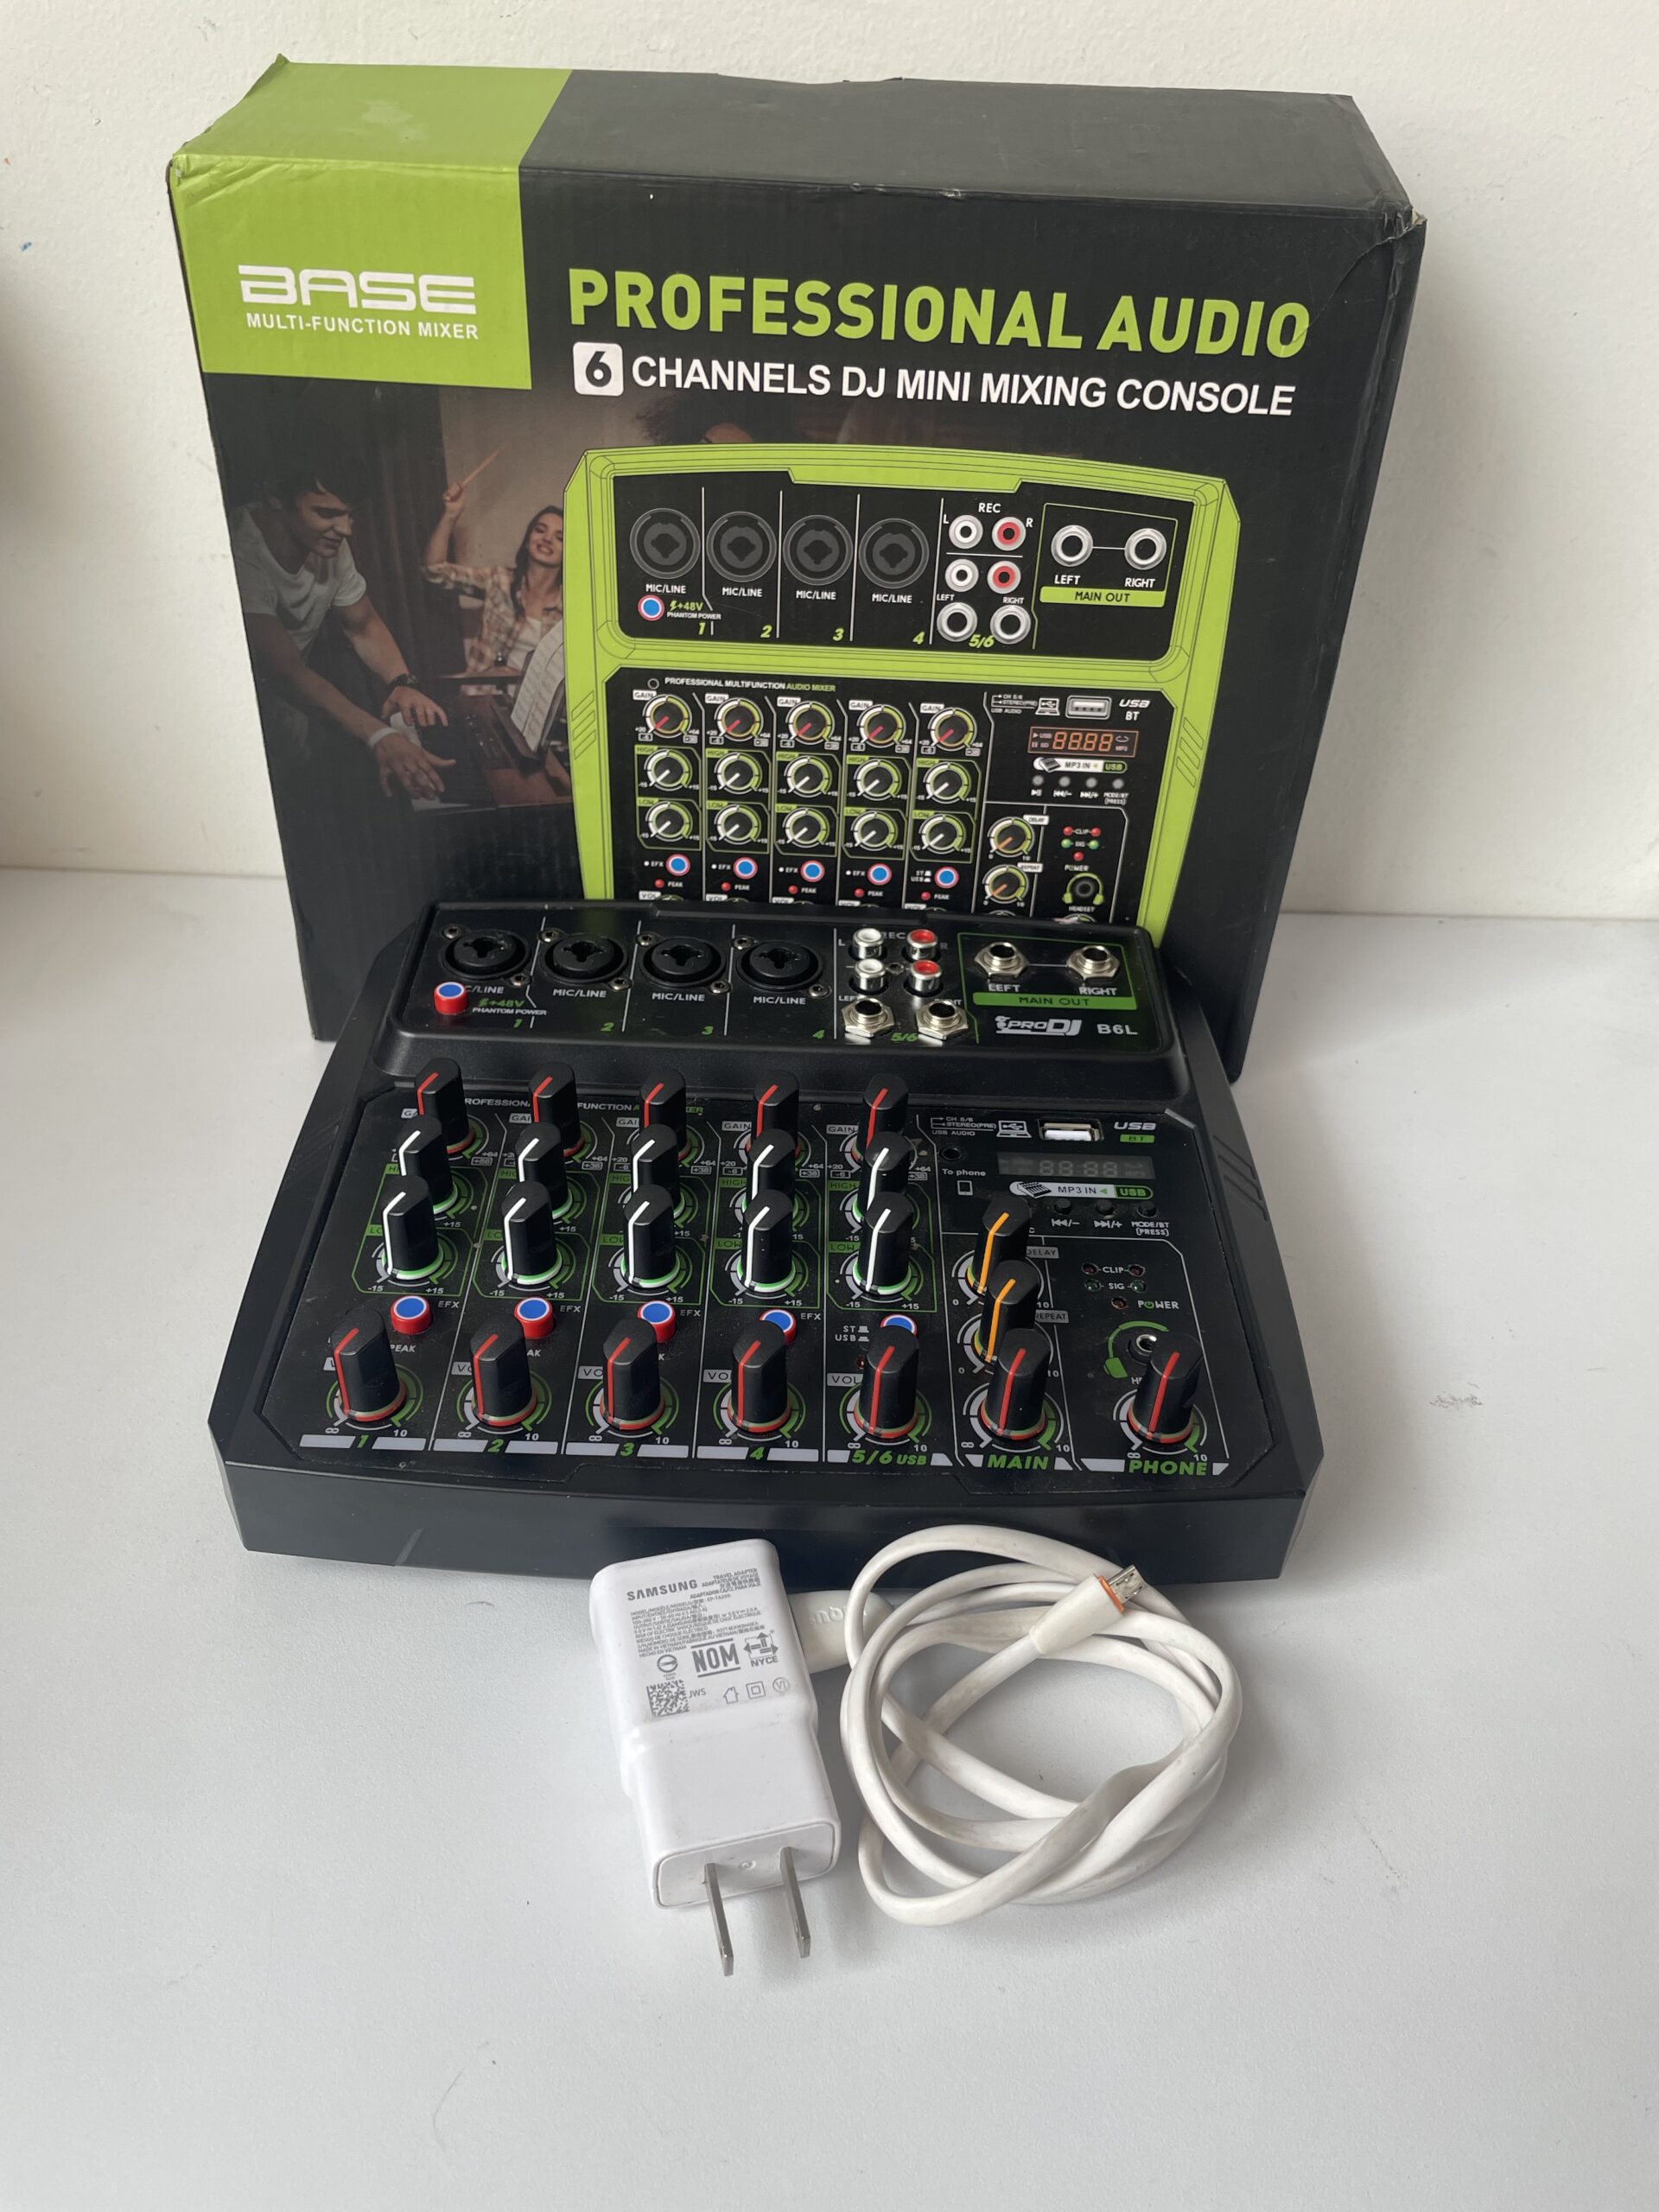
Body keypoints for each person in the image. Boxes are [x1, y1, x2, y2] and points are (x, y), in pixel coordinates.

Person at [232, 460, 452, 801]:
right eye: (327, 513)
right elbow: (285, 670)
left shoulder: (328, 543)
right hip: (236, 742)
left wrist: (402, 682)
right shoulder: (236, 549)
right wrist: (379, 736)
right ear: (276, 499)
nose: (346, 529)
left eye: (350, 515)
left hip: (288, 731)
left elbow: (363, 625)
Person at [421, 491, 563, 676]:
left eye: (560, 537)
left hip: (535, 695)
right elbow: (434, 571)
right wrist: (451, 515)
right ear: (527, 541)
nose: (547, 539)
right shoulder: (499, 579)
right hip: (482, 691)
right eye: (540, 530)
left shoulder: (572, 607)